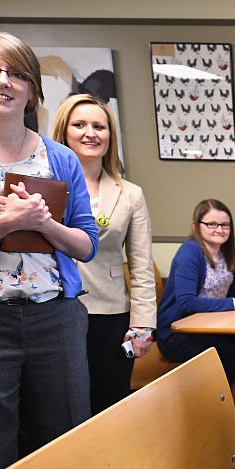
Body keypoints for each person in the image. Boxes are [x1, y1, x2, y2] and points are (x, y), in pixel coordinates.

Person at [0, 32, 98, 469]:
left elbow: (86, 244)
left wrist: (43, 223)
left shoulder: (60, 158)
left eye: (16, 74)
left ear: (32, 90)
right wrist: (8, 223)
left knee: (67, 437)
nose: (4, 81)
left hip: (55, 318)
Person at [52, 93, 157, 414]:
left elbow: (141, 268)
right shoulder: (42, 185)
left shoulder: (130, 195)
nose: (91, 133)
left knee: (109, 406)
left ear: (111, 136)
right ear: (63, 131)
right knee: (58, 410)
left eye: (100, 126)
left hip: (110, 318)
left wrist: (142, 326)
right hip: (53, 312)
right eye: (80, 124)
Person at [156, 199, 235, 446]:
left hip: (212, 328)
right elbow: (185, 302)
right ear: (196, 226)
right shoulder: (190, 253)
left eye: (225, 225)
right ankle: (220, 432)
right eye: (212, 224)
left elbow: (233, 286)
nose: (219, 230)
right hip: (179, 334)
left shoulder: (225, 251)